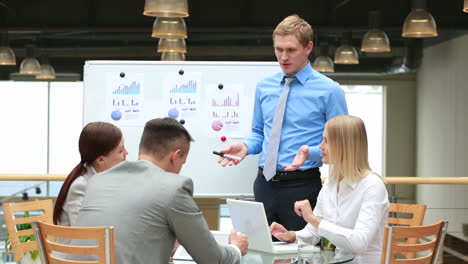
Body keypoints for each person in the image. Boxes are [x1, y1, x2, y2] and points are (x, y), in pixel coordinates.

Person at [218, 14, 348, 231]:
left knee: (302, 254)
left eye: (291, 50)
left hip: (303, 185)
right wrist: (245, 146)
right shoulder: (264, 86)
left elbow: (342, 145)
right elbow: (259, 133)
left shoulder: (330, 91)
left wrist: (309, 153)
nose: (283, 57)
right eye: (278, 49)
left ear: (308, 48)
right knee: (261, 252)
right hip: (264, 185)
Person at [75, 117, 248, 264]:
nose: (180, 168)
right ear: (175, 155)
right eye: (182, 162)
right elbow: (212, 259)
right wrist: (236, 248)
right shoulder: (173, 188)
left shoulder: (97, 180)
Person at [270, 115, 389, 263]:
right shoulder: (330, 184)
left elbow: (359, 243)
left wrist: (313, 219)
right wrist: (292, 236)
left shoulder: (372, 185)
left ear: (344, 145)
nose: (320, 146)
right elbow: (313, 232)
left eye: (326, 140)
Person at [53, 122, 128, 226]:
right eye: (120, 151)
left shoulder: (104, 180)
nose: (126, 153)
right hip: (82, 241)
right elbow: (84, 233)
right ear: (101, 160)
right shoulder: (81, 186)